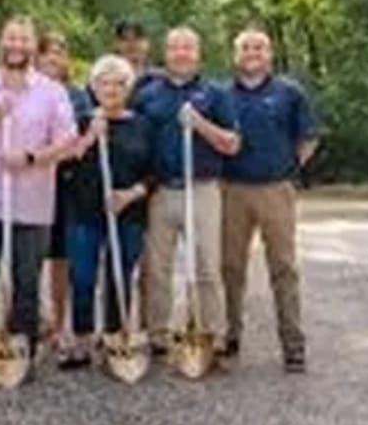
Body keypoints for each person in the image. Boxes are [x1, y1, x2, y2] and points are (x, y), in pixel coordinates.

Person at [0, 16, 77, 372]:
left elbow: (68, 141)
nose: (17, 46)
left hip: (32, 204)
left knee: (26, 281)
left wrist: (31, 157)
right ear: (1, 42)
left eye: (24, 39)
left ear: (33, 46)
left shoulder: (51, 91)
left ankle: (22, 350)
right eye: (11, 38)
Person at [133, 27, 240, 358]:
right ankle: (158, 335)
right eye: (175, 47)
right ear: (165, 53)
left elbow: (232, 144)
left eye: (188, 48)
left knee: (207, 265)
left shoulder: (216, 93)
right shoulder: (147, 94)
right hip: (161, 191)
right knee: (157, 268)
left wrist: (200, 125)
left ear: (198, 53)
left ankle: (212, 334)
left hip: (202, 189)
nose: (181, 53)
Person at [221, 29, 318, 372]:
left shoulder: (289, 92)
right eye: (245, 47)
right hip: (232, 190)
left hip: (276, 189)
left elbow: (308, 138)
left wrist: (288, 169)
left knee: (283, 267)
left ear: (270, 54)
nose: (252, 53)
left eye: (259, 47)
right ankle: (229, 336)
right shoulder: (222, 94)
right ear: (236, 55)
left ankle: (293, 345)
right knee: (230, 267)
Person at [59, 55, 153, 368]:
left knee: (120, 275)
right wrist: (89, 138)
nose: (111, 89)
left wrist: (131, 194)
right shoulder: (78, 121)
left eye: (119, 83)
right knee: (83, 276)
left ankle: (115, 335)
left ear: (129, 88)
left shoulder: (142, 125)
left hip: (128, 213)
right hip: (83, 211)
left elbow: (155, 171)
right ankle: (83, 339)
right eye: (104, 82)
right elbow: (63, 160)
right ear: (93, 87)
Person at [35, 31, 93, 350]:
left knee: (60, 256)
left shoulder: (77, 96)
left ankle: (59, 324)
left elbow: (82, 141)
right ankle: (33, 318)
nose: (53, 59)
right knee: (29, 255)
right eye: (46, 52)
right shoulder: (26, 91)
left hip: (65, 183)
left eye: (59, 52)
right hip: (29, 182)